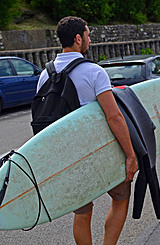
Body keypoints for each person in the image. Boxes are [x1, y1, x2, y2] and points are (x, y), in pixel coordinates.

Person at [36, 16, 138, 245]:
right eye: (88, 35)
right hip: (99, 151)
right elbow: (114, 117)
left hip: (68, 156)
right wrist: (130, 155)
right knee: (121, 196)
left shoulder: (45, 74)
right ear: (78, 38)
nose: (90, 40)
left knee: (82, 210)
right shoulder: (93, 72)